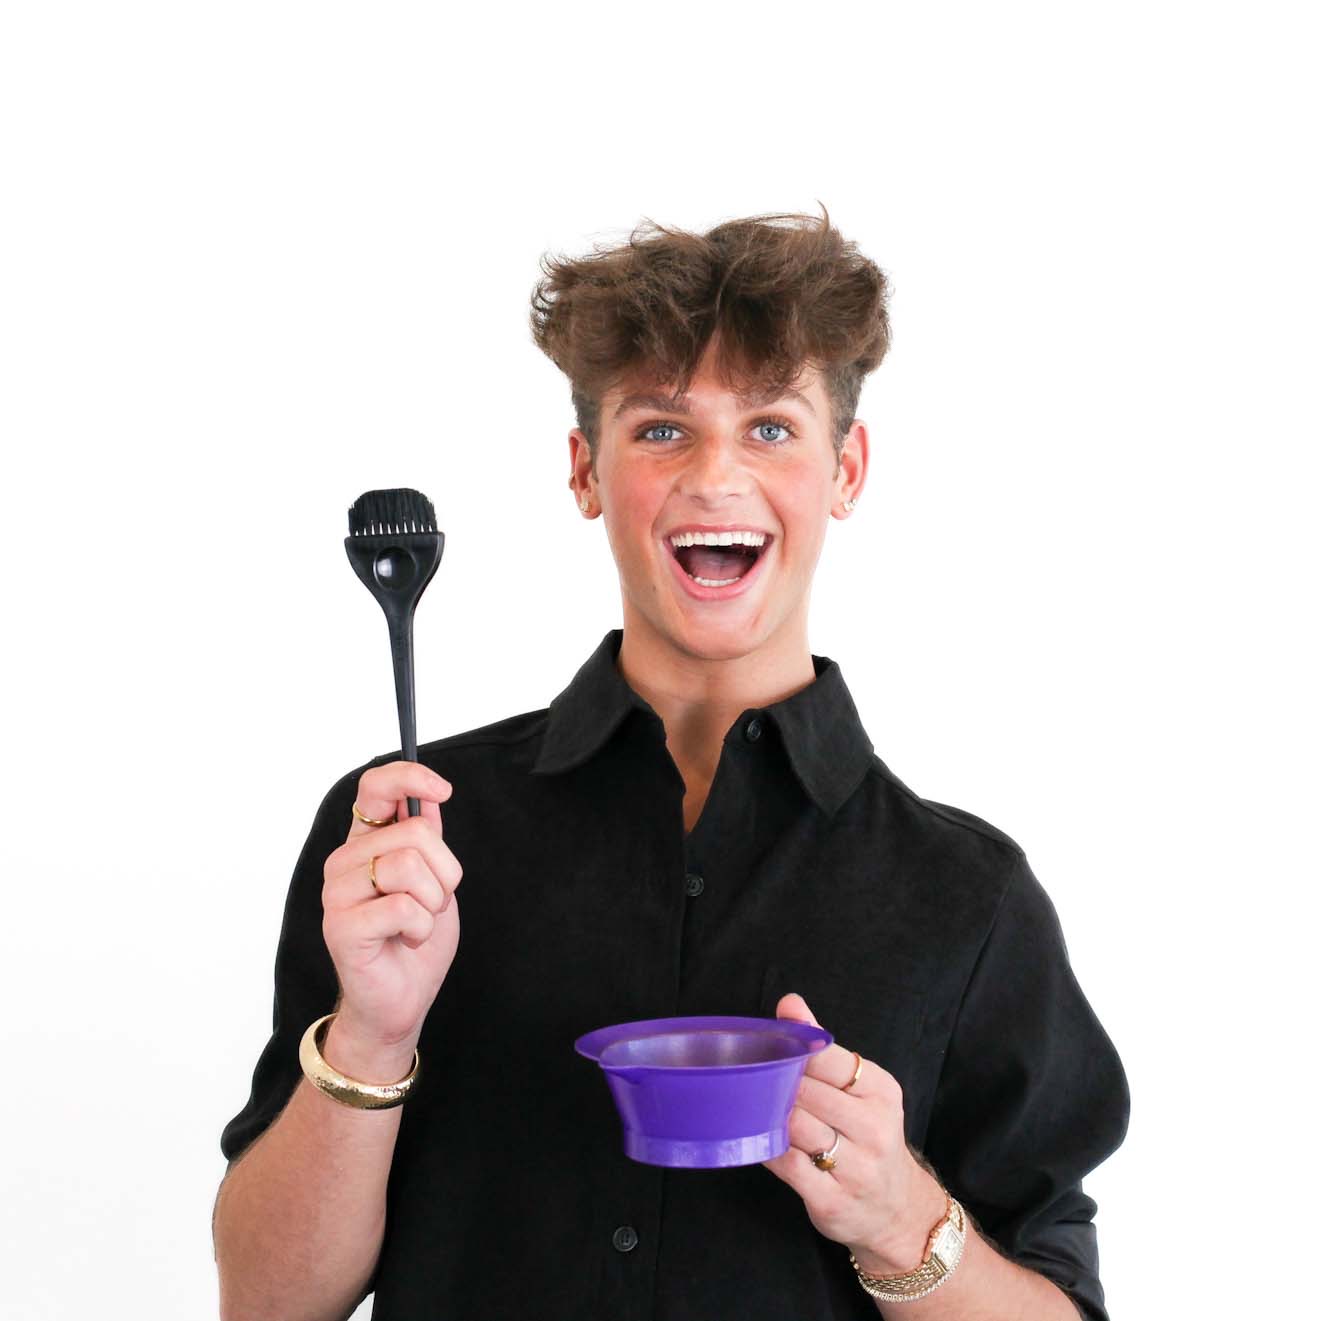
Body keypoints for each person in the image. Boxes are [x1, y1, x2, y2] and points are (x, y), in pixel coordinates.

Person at [213, 208, 1129, 1321]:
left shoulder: (967, 897)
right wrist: (372, 1035)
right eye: (659, 429)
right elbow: (266, 1303)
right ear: (584, 470)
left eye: (770, 428)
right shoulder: (411, 841)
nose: (715, 476)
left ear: (846, 468)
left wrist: (900, 1220)